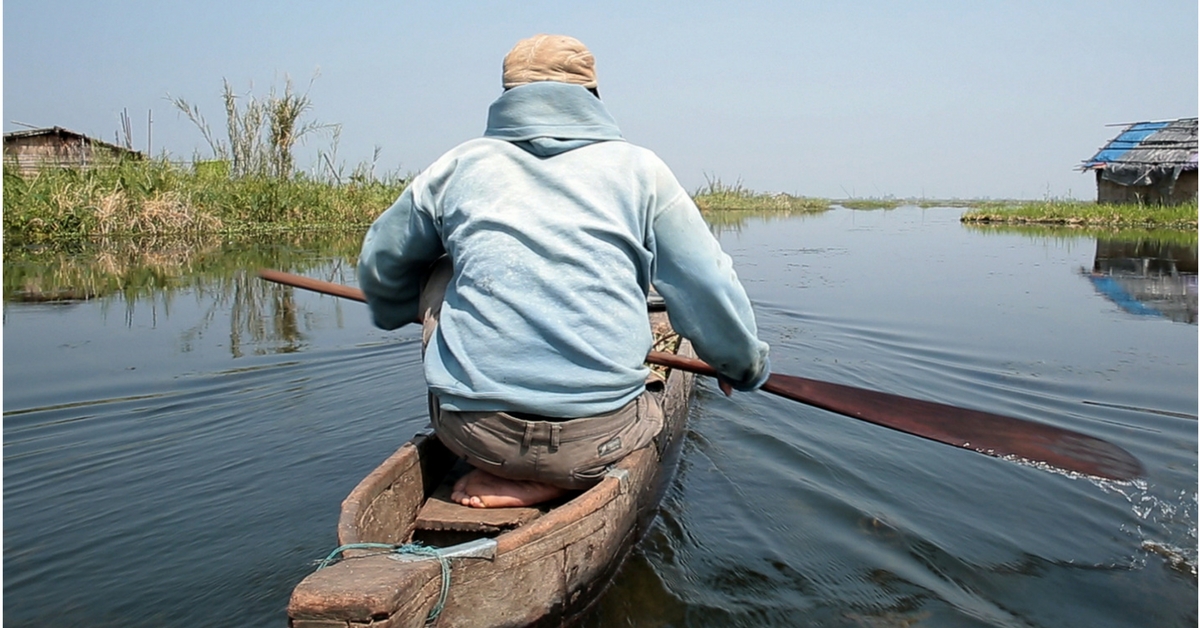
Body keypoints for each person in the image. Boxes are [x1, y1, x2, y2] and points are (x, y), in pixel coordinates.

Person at [358, 34, 770, 508]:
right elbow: (706, 283)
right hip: (600, 441)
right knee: (639, 399)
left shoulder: (455, 167)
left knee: (443, 268)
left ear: (507, 96)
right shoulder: (641, 170)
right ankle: (559, 477)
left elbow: (381, 260)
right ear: (592, 95)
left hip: (473, 435)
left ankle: (514, 468)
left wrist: (394, 309)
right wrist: (742, 366)